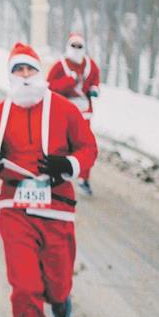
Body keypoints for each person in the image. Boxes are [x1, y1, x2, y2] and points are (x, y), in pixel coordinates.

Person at [0, 42, 98, 317]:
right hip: (15, 208)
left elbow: (88, 147)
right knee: (24, 288)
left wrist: (68, 165)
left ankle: (59, 297)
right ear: (11, 76)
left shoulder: (64, 110)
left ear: (39, 73)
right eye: (18, 70)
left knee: (56, 282)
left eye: (30, 70)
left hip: (57, 207)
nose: (25, 77)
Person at [47, 31, 101, 195]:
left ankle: (84, 179)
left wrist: (93, 89)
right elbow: (50, 87)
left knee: (84, 145)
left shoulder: (90, 66)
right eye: (73, 45)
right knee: (60, 143)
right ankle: (56, 173)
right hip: (63, 112)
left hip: (83, 112)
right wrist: (68, 82)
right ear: (68, 46)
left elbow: (95, 81)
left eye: (79, 46)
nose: (76, 49)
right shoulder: (60, 65)